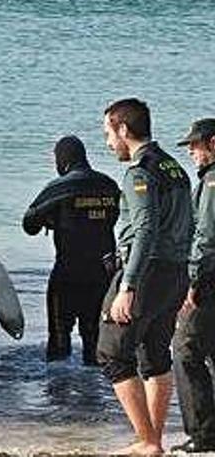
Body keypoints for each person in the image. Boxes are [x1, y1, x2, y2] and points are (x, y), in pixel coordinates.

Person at [98, 97, 192, 455]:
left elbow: (146, 228)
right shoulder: (174, 168)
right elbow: (191, 224)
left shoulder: (140, 171)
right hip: (175, 273)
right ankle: (153, 440)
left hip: (147, 272)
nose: (108, 142)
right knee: (154, 355)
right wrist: (189, 277)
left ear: (124, 129)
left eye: (108, 133)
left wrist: (128, 285)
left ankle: (148, 441)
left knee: (111, 354)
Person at [23, 135, 120, 365]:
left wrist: (53, 219)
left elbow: (29, 224)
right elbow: (113, 218)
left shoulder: (60, 186)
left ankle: (58, 393)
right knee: (94, 338)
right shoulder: (109, 185)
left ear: (62, 160)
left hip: (68, 271)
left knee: (59, 337)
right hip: (102, 273)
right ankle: (96, 395)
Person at [172, 118, 215, 453]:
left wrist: (193, 282)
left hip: (209, 281)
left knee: (185, 350)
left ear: (212, 143)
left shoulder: (212, 181)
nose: (191, 152)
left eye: (195, 146)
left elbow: (207, 237)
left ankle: (203, 436)